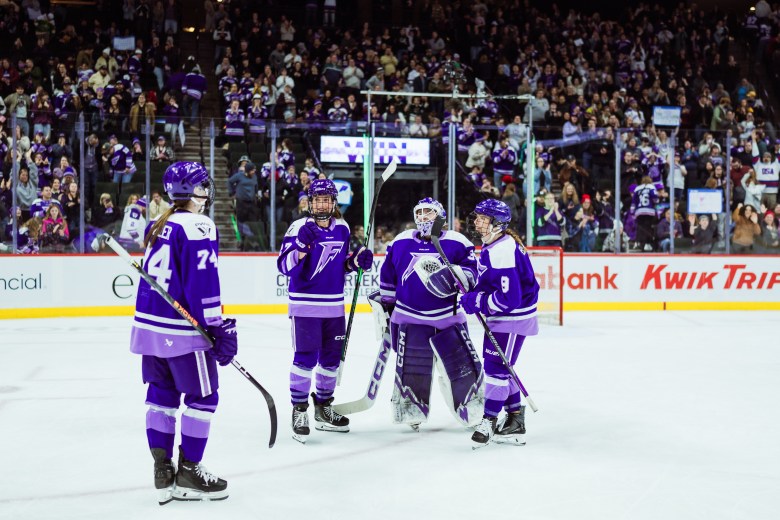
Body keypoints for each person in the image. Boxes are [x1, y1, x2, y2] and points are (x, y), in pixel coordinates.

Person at [130, 161, 235, 504]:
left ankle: (162, 471)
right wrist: (218, 327)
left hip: (149, 328)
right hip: (183, 331)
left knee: (161, 395)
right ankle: (189, 471)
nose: (208, 190)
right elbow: (203, 283)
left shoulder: (161, 223)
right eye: (203, 185)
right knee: (204, 398)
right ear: (194, 190)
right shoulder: (199, 225)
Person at [276, 179, 373, 443]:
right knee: (305, 359)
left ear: (333, 202)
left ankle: (323, 407)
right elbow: (284, 267)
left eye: (327, 199)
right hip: (306, 306)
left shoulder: (341, 228)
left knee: (331, 361)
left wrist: (356, 262)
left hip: (333, 307)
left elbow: (340, 265)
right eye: (317, 199)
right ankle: (299, 410)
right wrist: (301, 247)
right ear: (310, 202)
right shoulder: (299, 227)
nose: (322, 204)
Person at [379, 197, 482, 431]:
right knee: (413, 368)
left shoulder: (458, 242)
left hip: (448, 319)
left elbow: (472, 276)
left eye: (429, 213)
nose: (424, 217)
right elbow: (388, 277)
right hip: (410, 318)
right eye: (420, 213)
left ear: (440, 216)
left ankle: (473, 409)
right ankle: (411, 409)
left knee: (461, 368)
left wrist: (459, 275)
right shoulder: (401, 241)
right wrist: (387, 307)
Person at [460, 199, 539, 448]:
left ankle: (489, 419)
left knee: (496, 369)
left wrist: (479, 301)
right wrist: (475, 294)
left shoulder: (502, 250)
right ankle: (515, 419)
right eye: (477, 217)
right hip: (505, 317)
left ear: (497, 223)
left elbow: (510, 298)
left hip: (513, 318)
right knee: (502, 367)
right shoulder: (495, 245)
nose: (476, 222)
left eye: (483, 218)